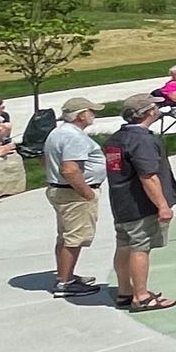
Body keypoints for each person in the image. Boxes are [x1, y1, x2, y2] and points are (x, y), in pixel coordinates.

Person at [107, 95, 176, 312]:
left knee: (124, 245)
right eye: (156, 106)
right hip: (141, 205)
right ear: (149, 112)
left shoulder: (115, 139)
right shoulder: (142, 141)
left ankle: (125, 291)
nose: (158, 109)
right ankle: (141, 296)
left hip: (122, 203)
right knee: (141, 247)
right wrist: (162, 205)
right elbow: (148, 175)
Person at [42, 95, 108, 298]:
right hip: (74, 194)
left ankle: (66, 274)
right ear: (81, 115)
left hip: (60, 191)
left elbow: (44, 160)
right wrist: (87, 194)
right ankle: (65, 283)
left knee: (65, 236)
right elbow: (70, 170)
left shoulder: (58, 132)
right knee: (74, 238)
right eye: (91, 111)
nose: (93, 115)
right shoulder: (74, 137)